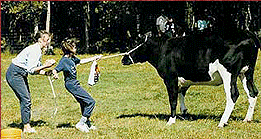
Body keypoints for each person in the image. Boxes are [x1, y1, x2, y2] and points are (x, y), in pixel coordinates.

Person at [6, 30, 56, 133]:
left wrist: (46, 72)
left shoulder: (38, 50)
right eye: (46, 40)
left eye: (48, 40)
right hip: (14, 74)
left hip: (20, 74)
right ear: (40, 40)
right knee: (26, 99)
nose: (48, 42)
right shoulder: (35, 50)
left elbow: (34, 70)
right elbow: (31, 70)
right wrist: (47, 65)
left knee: (26, 98)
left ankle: (26, 124)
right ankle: (26, 127)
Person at [51, 38, 102, 133]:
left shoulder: (72, 58)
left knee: (84, 102)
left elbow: (81, 61)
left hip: (75, 83)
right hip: (71, 85)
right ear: (69, 49)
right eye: (74, 47)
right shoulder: (64, 61)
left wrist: (94, 58)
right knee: (91, 102)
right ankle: (81, 123)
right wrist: (55, 74)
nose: (76, 49)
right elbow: (55, 69)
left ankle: (87, 124)